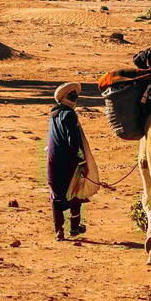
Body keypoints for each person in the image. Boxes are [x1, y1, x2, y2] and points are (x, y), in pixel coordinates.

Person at [46, 82, 100, 241]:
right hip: (69, 161)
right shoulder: (69, 114)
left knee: (57, 195)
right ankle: (74, 227)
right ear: (63, 98)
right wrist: (82, 163)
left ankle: (59, 231)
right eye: (72, 96)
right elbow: (73, 141)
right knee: (76, 191)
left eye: (75, 96)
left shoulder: (53, 114)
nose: (75, 98)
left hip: (53, 160)